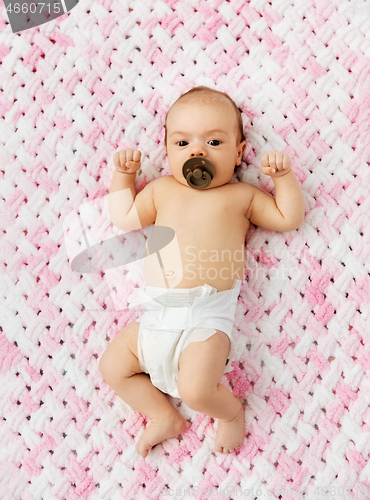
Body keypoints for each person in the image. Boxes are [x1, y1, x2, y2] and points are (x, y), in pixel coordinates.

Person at [99, 86, 305, 458]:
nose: (197, 152)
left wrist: (285, 178)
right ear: (166, 151)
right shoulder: (162, 190)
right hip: (155, 314)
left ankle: (229, 413)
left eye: (213, 141)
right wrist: (123, 177)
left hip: (205, 316)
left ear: (239, 152)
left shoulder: (241, 196)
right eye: (182, 144)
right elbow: (124, 218)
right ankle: (163, 416)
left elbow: (288, 218)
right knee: (113, 366)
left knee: (197, 390)